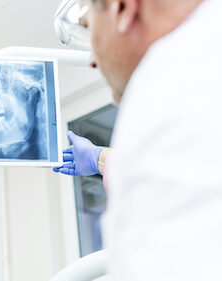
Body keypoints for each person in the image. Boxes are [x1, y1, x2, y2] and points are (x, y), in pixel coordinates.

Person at [56, 0, 222, 280]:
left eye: (88, 28)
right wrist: (99, 159)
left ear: (123, 8)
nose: (92, 60)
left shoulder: (171, 91)